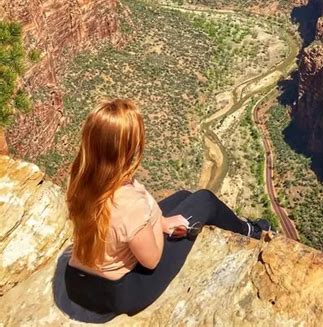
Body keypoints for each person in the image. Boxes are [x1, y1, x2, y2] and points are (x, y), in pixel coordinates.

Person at [62, 98, 270, 318]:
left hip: (76, 282)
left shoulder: (80, 181)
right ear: (131, 148)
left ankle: (242, 226)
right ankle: (250, 231)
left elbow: (115, 221)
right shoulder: (132, 203)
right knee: (204, 200)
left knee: (184, 197)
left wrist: (159, 220)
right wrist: (156, 218)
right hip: (118, 293)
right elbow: (151, 261)